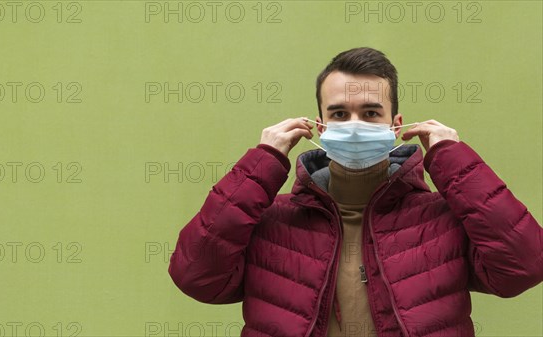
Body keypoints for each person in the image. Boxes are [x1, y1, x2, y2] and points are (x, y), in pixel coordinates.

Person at [167, 47, 543, 337]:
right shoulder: (271, 221)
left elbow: (525, 265)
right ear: (319, 125)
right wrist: (262, 162)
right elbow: (196, 276)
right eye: (340, 114)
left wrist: (452, 159)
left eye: (370, 113)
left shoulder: (441, 218)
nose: (355, 125)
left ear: (396, 125)